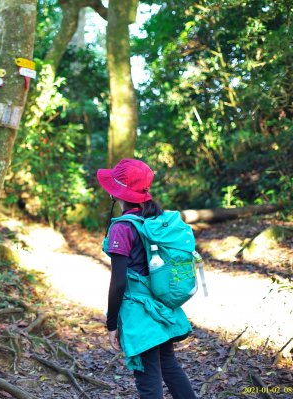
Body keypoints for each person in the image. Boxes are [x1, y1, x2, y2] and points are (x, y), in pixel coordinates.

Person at [97, 159, 197, 399]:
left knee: (147, 380)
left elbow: (119, 282)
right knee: (168, 365)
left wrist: (112, 324)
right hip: (161, 304)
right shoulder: (155, 218)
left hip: (139, 313)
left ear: (117, 191)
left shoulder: (122, 227)